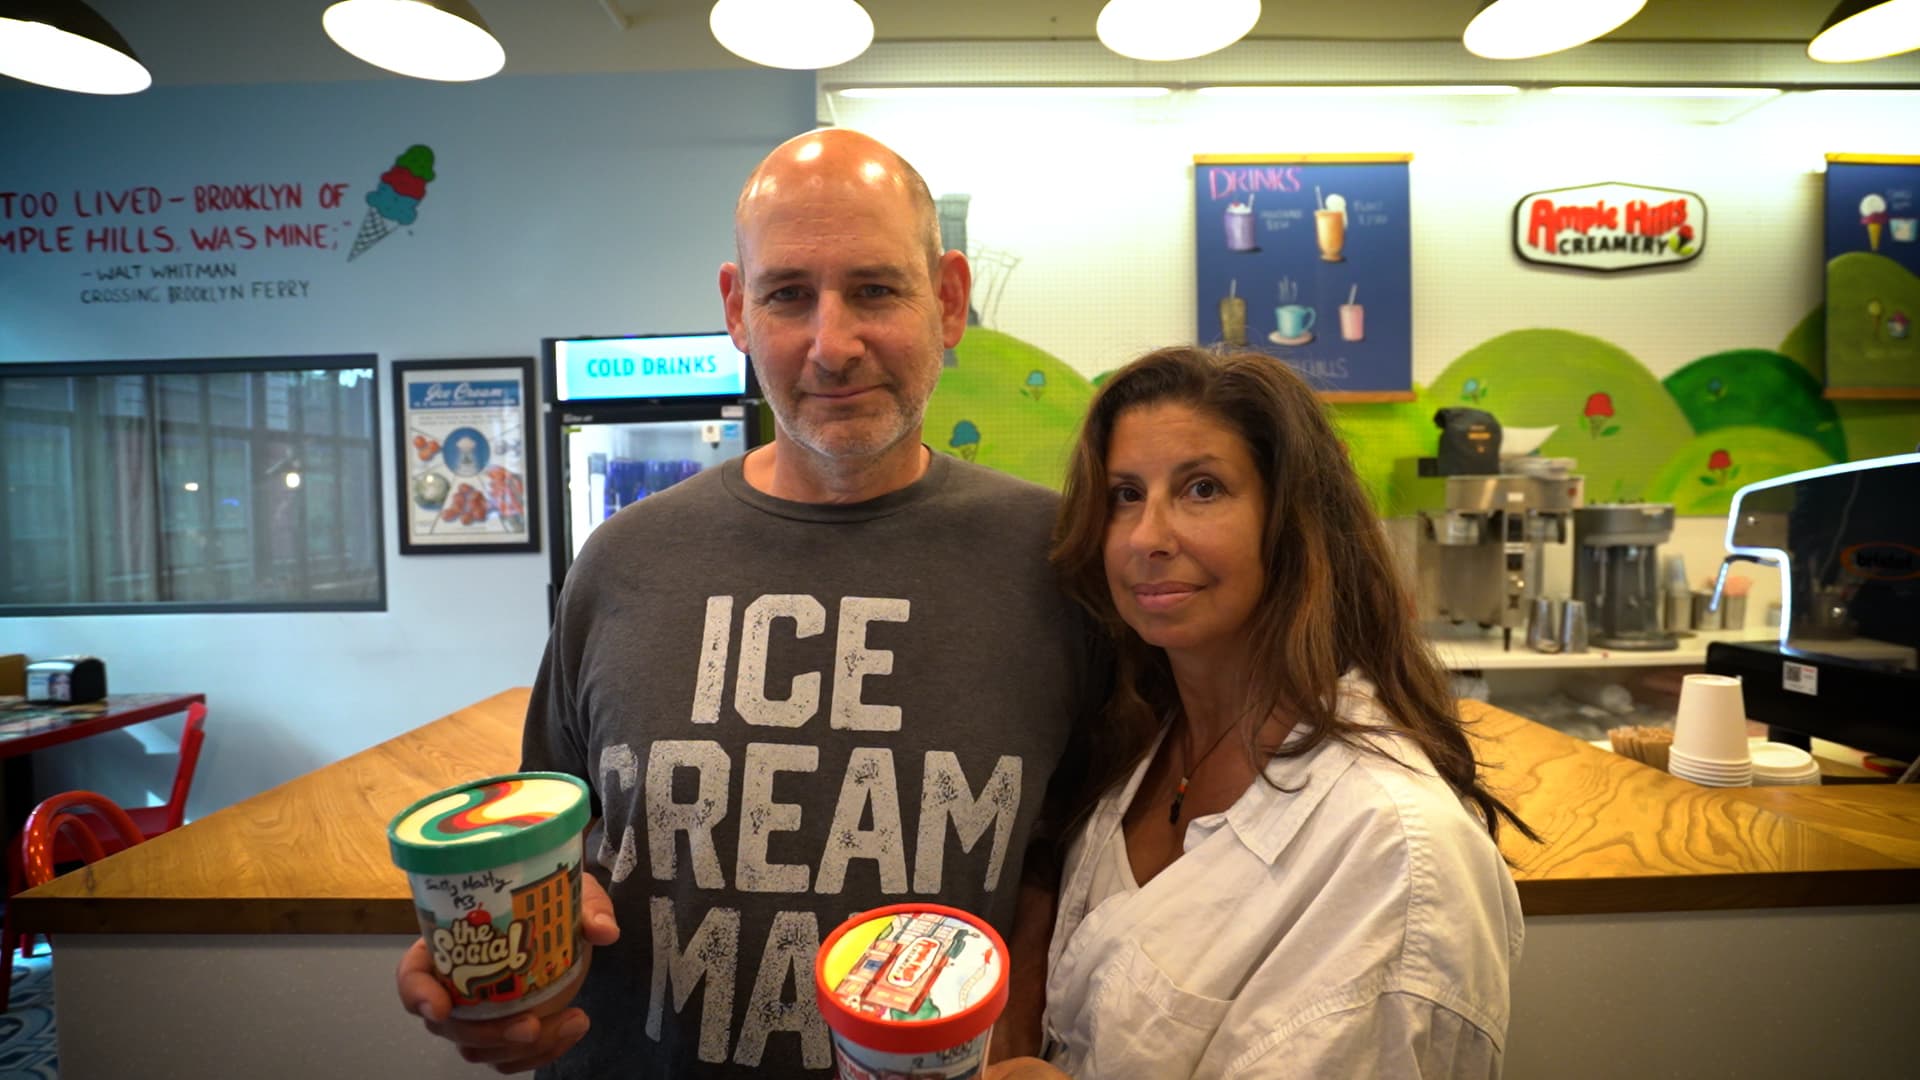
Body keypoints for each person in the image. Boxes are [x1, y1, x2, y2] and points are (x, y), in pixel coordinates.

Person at [396, 129, 1103, 1077]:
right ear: (737, 308)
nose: (832, 346)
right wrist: (499, 951)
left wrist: (1024, 1016)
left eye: (876, 290)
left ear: (947, 300)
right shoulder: (621, 562)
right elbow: (555, 837)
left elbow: (1087, 848)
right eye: (788, 295)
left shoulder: (1060, 565)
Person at [989, 345, 1533, 1080]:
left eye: (1203, 488)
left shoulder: (1393, 848)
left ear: (1294, 521)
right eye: (1125, 494)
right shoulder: (1146, 740)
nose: (1148, 536)